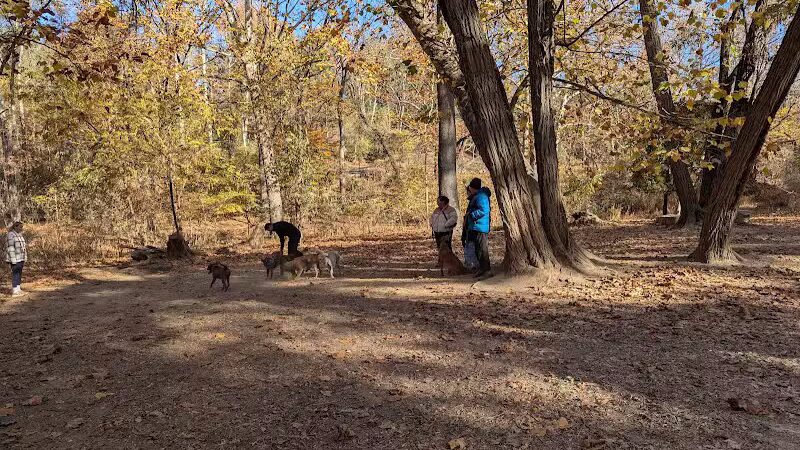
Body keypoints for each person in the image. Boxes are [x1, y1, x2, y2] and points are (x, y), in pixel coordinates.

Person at [463, 178, 491, 277]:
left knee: (482, 249)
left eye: (470, 187)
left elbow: (484, 210)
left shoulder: (481, 196)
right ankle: (482, 268)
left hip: (480, 226)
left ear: (472, 187)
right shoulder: (478, 196)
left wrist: (471, 215)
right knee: (478, 249)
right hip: (476, 226)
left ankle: (486, 269)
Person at [5, 221, 27, 297]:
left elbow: (23, 247)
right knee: (15, 273)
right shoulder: (10, 235)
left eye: (22, 227)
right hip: (14, 259)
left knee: (19, 273)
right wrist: (13, 260)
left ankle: (18, 288)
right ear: (15, 227)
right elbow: (10, 248)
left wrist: (25, 257)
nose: (21, 228)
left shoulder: (20, 235)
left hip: (21, 258)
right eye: (20, 227)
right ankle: (14, 290)